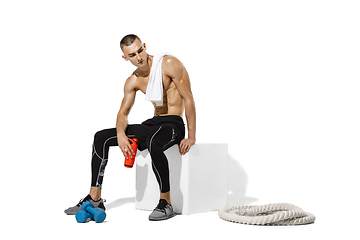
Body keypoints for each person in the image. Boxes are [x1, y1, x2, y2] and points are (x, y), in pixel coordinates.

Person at [64, 34, 196, 221]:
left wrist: (191, 136)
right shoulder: (133, 80)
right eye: (132, 55)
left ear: (144, 45)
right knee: (101, 137)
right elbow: (123, 113)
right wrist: (120, 134)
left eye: (140, 50)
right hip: (154, 123)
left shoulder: (169, 63)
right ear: (125, 58)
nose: (139, 57)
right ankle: (94, 198)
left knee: (153, 140)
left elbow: (188, 98)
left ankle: (166, 202)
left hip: (173, 123)